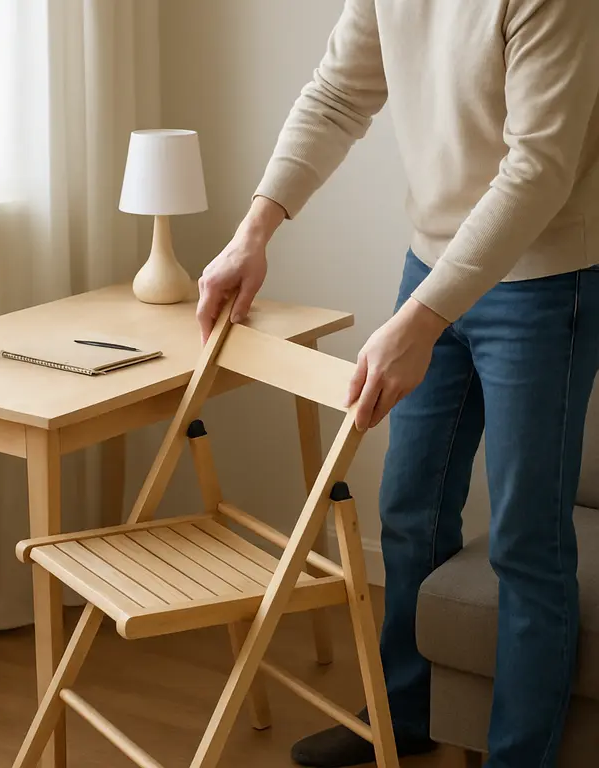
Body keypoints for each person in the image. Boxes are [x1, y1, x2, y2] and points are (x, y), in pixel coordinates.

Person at [196, 1, 599, 766]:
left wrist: (420, 321)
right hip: (433, 265)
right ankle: (404, 716)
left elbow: (539, 167)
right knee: (409, 507)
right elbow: (337, 93)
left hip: (546, 281)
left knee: (526, 541)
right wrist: (253, 231)